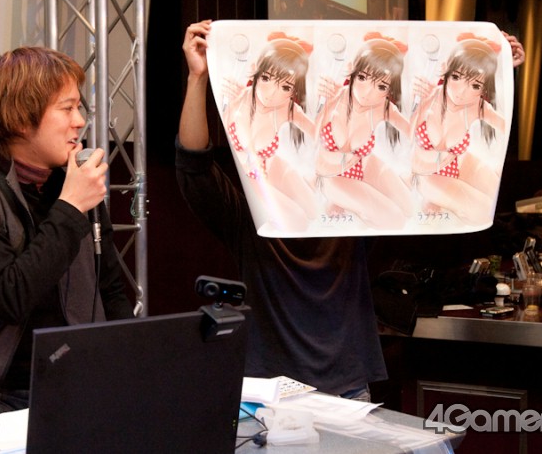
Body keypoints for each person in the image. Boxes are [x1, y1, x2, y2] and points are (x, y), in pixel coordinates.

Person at [0, 46, 134, 446]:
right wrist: (71, 207)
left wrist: (135, 368)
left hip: (75, 382)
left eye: (79, 108)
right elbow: (9, 296)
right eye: (66, 109)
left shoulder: (74, 186)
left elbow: (111, 291)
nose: (80, 121)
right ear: (19, 119)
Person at [177, 20, 387, 399]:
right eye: (268, 83)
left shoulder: (348, 206)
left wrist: (496, 72)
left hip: (347, 387)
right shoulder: (252, 216)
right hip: (272, 393)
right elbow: (194, 165)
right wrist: (197, 78)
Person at [221, 32, 318, 232]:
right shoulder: (238, 101)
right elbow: (246, 150)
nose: (271, 94)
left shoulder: (288, 108)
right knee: (298, 221)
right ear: (255, 70)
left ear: (294, 91)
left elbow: (321, 135)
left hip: (273, 166)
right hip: (249, 175)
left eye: (285, 87)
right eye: (266, 78)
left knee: (314, 211)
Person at [314, 32, 412, 229]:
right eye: (362, 77)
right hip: (330, 177)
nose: (367, 92)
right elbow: (309, 139)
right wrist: (324, 101)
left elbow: (414, 132)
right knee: (395, 219)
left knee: (409, 209)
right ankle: (342, 202)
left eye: (381, 86)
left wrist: (430, 98)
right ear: (352, 69)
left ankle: (351, 204)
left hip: (364, 168)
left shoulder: (383, 108)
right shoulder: (333, 97)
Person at [410, 33, 506, 225]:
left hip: (458, 167)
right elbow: (402, 140)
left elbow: (505, 126)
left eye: (475, 85)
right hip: (424, 176)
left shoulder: (477, 106)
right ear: (445, 69)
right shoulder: (427, 97)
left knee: (496, 200)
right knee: (482, 211)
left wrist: (508, 60)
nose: (462, 92)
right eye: (456, 77)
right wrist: (413, 100)